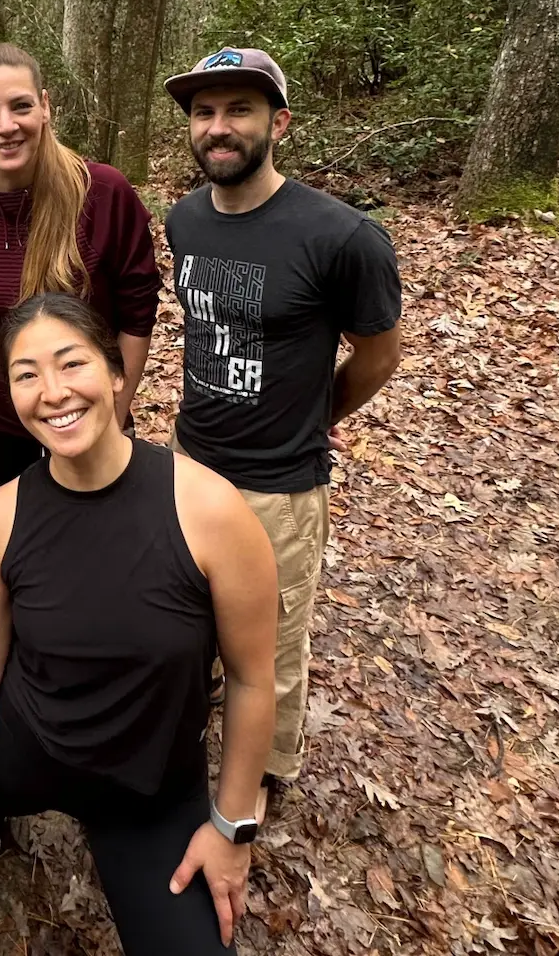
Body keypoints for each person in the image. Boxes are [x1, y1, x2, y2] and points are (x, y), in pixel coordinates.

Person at [0, 294, 278, 955]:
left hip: (150, 792)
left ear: (116, 373)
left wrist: (231, 827)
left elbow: (254, 680)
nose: (52, 393)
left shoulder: (210, 511)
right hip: (26, 755)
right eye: (26, 374)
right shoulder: (0, 520)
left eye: (70, 363)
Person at [161, 48, 403, 820]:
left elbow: (378, 356)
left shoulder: (342, 237)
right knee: (184, 617)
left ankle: (259, 776)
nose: (219, 127)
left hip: (280, 484)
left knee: (266, 642)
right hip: (191, 464)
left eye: (239, 110)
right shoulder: (185, 219)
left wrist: (314, 414)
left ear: (280, 123)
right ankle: (181, 736)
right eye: (204, 112)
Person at [0, 43, 162, 489]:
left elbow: (137, 316)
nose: (6, 126)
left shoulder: (103, 193)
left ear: (45, 107)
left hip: (86, 415)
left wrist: (112, 417)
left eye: (20, 106)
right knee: (23, 537)